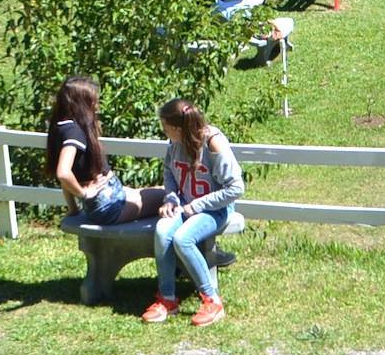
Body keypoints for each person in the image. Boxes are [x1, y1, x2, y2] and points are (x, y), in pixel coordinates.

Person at [141, 98, 244, 327]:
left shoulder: (213, 143)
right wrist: (170, 198)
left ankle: (212, 300)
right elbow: (169, 172)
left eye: (166, 128)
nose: (165, 133)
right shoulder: (175, 144)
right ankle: (168, 299)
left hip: (215, 209)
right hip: (185, 205)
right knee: (162, 230)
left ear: (178, 128)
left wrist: (196, 206)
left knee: (183, 238)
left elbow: (236, 188)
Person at [47, 77, 165, 226]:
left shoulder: (61, 127)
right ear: (81, 103)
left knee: (151, 191)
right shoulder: (74, 132)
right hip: (109, 204)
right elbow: (63, 173)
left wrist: (74, 209)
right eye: (93, 101)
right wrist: (84, 194)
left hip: (104, 200)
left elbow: (66, 176)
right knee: (168, 195)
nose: (96, 105)